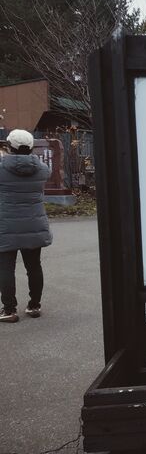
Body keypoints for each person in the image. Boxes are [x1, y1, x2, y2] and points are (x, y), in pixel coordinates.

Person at [0, 129, 52, 322]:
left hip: (6, 225)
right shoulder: (42, 169)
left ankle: (9, 310)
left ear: (9, 146)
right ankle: (34, 306)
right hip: (34, 223)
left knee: (6, 269)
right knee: (34, 266)